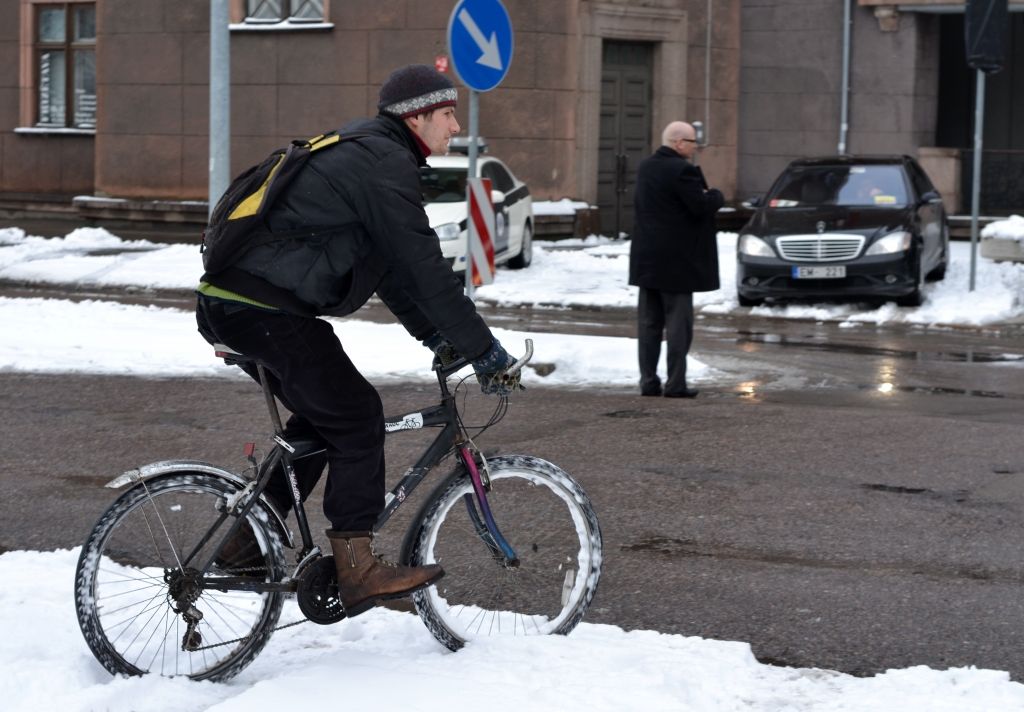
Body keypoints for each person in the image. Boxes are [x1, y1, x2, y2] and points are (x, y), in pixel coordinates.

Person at [195, 64, 522, 618]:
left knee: (323, 420)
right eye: (447, 114)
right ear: (415, 117)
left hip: (239, 306)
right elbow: (426, 270)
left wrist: (436, 337)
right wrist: (482, 350)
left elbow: (391, 271)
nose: (455, 127)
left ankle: (246, 543)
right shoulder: (382, 162)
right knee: (356, 416)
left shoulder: (369, 155)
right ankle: (359, 569)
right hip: (259, 310)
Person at [629, 121, 724, 398]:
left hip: (647, 260)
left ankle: (648, 382)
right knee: (678, 326)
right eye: (693, 142)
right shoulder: (682, 170)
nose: (695, 147)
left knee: (649, 325)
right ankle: (675, 383)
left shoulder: (646, 167)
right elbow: (700, 206)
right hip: (677, 263)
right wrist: (715, 196)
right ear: (679, 143)